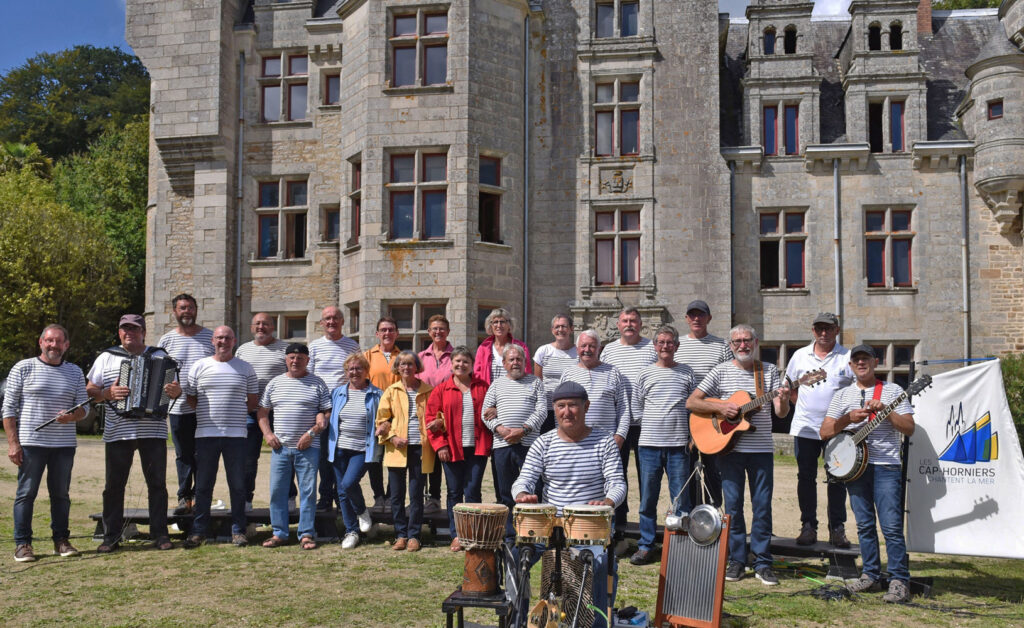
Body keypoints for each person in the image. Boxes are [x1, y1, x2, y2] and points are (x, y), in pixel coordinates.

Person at [512, 381, 627, 628]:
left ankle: (596, 623)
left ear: (585, 406)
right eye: (561, 406)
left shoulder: (604, 441)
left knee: (600, 563)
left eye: (573, 405)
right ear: (554, 410)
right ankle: (520, 620)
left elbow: (618, 484)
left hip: (589, 527)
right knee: (514, 560)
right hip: (549, 528)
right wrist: (522, 493)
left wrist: (606, 502)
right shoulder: (543, 443)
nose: (567, 412)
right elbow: (524, 479)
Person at [687, 324, 790, 586]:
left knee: (762, 506)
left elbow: (780, 413)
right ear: (730, 345)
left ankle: (763, 562)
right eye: (737, 341)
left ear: (755, 342)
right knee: (732, 507)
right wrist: (721, 408)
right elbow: (692, 402)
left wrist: (784, 398)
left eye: (747, 340)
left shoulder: (768, 371)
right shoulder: (720, 371)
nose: (742, 345)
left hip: (761, 450)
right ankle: (736, 560)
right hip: (729, 451)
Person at [821, 345, 915, 604]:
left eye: (865, 359)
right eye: (856, 360)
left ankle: (898, 580)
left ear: (875, 362)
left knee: (892, 526)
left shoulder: (894, 391)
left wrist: (887, 410)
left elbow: (909, 428)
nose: (861, 363)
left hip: (886, 466)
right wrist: (847, 419)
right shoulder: (842, 395)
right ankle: (871, 575)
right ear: (851, 366)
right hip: (854, 469)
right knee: (864, 525)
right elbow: (825, 431)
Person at [86, 315, 181, 553]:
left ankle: (160, 534)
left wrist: (175, 391)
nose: (129, 332)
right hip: (118, 431)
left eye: (134, 329)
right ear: (119, 333)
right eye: (124, 329)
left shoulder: (160, 356)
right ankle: (111, 536)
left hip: (154, 431)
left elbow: (173, 391)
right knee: (114, 485)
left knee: (157, 485)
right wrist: (107, 393)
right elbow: (90, 389)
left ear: (143, 332)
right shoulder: (107, 357)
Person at [4, 324, 88, 562]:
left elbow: (85, 408)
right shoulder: (23, 367)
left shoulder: (75, 372)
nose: (54, 345)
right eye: (49, 341)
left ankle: (61, 541)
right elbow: (8, 409)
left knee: (60, 495)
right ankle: (23, 544)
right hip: (32, 444)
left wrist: (72, 417)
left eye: (59, 341)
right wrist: (13, 444)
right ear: (40, 342)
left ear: (66, 345)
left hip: (63, 445)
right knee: (26, 493)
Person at [182, 326, 259, 548]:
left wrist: (232, 413)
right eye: (218, 338)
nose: (222, 341)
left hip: (236, 436)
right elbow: (191, 398)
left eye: (227, 338)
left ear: (234, 341)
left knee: (237, 485)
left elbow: (252, 401)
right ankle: (199, 531)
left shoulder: (245, 368)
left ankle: (238, 531)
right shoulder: (199, 366)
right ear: (212, 341)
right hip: (206, 434)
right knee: (204, 485)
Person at [786, 312, 854, 547]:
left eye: (828, 328)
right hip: (805, 428)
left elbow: (857, 391)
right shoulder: (799, 356)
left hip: (836, 428)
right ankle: (808, 526)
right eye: (818, 329)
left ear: (837, 330)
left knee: (837, 477)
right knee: (805, 477)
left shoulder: (848, 357)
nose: (823, 333)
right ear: (812, 330)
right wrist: (804, 408)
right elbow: (789, 387)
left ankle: (837, 528)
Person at [629, 325, 696, 565]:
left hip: (679, 446)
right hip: (649, 446)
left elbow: (694, 407)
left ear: (677, 346)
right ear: (655, 346)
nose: (665, 346)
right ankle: (647, 545)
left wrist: (692, 436)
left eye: (670, 342)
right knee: (648, 499)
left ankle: (680, 544)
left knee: (681, 499)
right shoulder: (645, 374)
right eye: (661, 342)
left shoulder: (687, 373)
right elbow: (636, 408)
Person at [257, 343, 331, 550]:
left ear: (307, 360)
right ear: (286, 360)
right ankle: (279, 532)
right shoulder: (275, 383)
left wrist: (312, 433)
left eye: (300, 358)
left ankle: (306, 533)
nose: (295, 361)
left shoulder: (318, 383)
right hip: (281, 448)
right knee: (277, 491)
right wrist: (268, 434)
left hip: (309, 447)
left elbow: (326, 413)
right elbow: (262, 412)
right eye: (291, 357)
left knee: (308, 492)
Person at [564, 328, 632, 551]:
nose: (587, 349)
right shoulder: (568, 374)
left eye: (592, 346)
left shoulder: (613, 373)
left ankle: (613, 537)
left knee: (612, 489)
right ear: (577, 348)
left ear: (599, 349)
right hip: (576, 444)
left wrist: (619, 436)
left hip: (609, 444)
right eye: (583, 346)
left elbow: (624, 408)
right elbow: (560, 411)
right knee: (582, 488)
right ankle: (578, 534)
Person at [597, 307, 655, 554]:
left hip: (646, 424)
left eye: (633, 321)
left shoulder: (652, 347)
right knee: (615, 477)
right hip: (616, 425)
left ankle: (646, 535)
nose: (629, 324)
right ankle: (619, 530)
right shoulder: (609, 350)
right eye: (625, 321)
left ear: (640, 325)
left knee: (647, 479)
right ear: (618, 325)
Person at [424, 346, 492, 552]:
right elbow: (430, 419)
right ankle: (456, 535)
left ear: (472, 366)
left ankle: (473, 533)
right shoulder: (441, 390)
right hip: (451, 449)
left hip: (477, 448)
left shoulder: (483, 387)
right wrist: (440, 445)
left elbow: (494, 407)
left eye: (465, 362)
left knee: (472, 492)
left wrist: (495, 408)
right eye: (457, 362)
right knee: (454, 493)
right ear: (451, 364)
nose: (461, 365)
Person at [482, 344, 547, 542]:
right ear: (504, 363)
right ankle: (510, 533)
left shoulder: (535, 382)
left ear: (525, 362)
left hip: (529, 445)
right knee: (506, 490)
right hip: (502, 445)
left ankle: (533, 531)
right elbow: (485, 413)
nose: (515, 362)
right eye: (511, 359)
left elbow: (542, 410)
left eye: (519, 359)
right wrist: (500, 428)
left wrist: (524, 429)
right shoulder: (496, 385)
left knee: (534, 488)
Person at [158, 293, 214, 515]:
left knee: (203, 454)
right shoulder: (166, 341)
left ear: (196, 310)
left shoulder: (210, 337)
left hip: (205, 408)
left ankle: (201, 497)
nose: (187, 312)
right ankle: (184, 497)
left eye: (190, 307)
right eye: (182, 308)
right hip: (178, 408)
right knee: (183, 454)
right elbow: (160, 376)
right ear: (175, 312)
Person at [673, 300, 731, 508]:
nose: (696, 319)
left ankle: (713, 512)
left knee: (713, 468)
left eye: (701, 315)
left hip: (713, 415)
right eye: (692, 315)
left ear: (709, 318)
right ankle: (692, 515)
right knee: (687, 467)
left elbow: (728, 377)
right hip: (685, 416)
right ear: (687, 318)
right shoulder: (676, 345)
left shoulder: (722, 345)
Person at [375, 351, 435, 552]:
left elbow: (438, 414)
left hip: (420, 447)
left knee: (417, 494)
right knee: (397, 495)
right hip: (397, 448)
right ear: (397, 368)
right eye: (402, 364)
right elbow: (382, 420)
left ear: (417, 367)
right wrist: (392, 437)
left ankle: (414, 536)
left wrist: (438, 423)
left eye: (410, 364)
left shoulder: (428, 390)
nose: (407, 367)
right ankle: (400, 534)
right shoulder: (391, 391)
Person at [327, 353, 383, 549]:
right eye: (350, 369)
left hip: (362, 449)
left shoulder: (377, 394)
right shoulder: (337, 393)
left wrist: (384, 425)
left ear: (367, 371)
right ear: (346, 372)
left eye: (359, 368)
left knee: (349, 483)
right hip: (339, 447)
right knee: (342, 491)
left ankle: (361, 512)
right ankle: (351, 531)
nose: (354, 372)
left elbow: (386, 416)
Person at [235, 312, 289, 512]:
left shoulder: (284, 349)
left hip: (279, 412)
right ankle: (246, 499)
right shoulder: (242, 350)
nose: (261, 327)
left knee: (285, 455)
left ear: (272, 327)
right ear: (251, 328)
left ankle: (288, 497)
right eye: (257, 324)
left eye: (265, 324)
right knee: (248, 458)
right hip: (250, 411)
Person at [308, 306, 360, 511]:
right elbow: (310, 377)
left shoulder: (352, 345)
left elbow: (357, 374)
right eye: (327, 319)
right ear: (322, 323)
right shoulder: (314, 347)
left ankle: (342, 497)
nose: (331, 322)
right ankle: (325, 496)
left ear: (342, 321)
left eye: (336, 318)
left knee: (340, 453)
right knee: (323, 456)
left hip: (344, 406)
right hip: (321, 407)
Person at [364, 316, 401, 513]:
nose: (387, 333)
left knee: (394, 456)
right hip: (375, 412)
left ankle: (390, 495)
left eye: (391, 329)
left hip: (397, 412)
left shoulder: (402, 356)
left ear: (396, 333)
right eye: (383, 330)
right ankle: (378, 496)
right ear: (377, 334)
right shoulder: (368, 355)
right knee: (375, 457)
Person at [417, 314, 454, 512]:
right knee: (426, 455)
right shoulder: (421, 357)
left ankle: (444, 499)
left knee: (444, 455)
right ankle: (426, 497)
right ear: (429, 332)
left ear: (448, 331)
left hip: (448, 411)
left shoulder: (455, 355)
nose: (438, 332)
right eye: (434, 329)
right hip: (426, 412)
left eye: (442, 328)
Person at [532, 313, 578, 433]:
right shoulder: (543, 351)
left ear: (571, 329)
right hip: (548, 408)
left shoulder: (578, 352)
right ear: (552, 330)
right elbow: (538, 382)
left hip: (571, 407)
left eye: (564, 326)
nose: (560, 330)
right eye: (557, 327)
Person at [473, 307, 532, 385]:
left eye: (502, 322)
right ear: (491, 326)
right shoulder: (483, 348)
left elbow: (527, 371)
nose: (499, 325)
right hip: (488, 394)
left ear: (509, 325)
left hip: (515, 393)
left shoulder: (520, 347)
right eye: (495, 322)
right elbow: (477, 375)